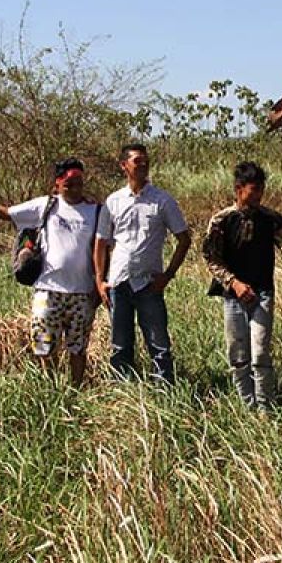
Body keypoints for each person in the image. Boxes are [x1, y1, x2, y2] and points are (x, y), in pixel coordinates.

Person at [0, 159, 101, 386]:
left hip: (83, 293)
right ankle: (50, 390)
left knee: (78, 348)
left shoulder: (95, 210)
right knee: (44, 347)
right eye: (69, 184)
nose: (75, 189)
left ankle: (75, 391)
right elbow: (7, 213)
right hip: (47, 291)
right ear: (57, 184)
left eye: (79, 183)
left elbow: (105, 247)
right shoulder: (46, 206)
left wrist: (99, 285)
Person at [203, 161, 282, 408]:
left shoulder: (271, 220)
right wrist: (234, 283)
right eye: (254, 190)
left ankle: (265, 407)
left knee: (260, 352)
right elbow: (211, 258)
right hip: (233, 297)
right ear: (239, 189)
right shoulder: (221, 221)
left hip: (262, 293)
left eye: (261, 189)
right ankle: (247, 406)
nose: (259, 195)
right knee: (239, 355)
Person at [93, 144, 191, 384]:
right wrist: (100, 280)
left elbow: (184, 239)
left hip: (149, 284)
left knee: (159, 343)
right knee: (120, 345)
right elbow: (101, 243)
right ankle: (123, 394)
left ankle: (164, 389)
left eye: (146, 160)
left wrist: (167, 275)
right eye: (137, 161)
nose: (143, 165)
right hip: (119, 282)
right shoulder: (113, 201)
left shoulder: (163, 200)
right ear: (124, 166)